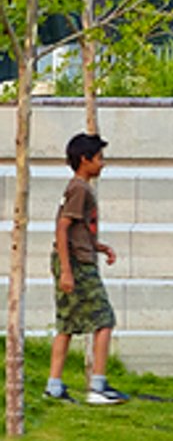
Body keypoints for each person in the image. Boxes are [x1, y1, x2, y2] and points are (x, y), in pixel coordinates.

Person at [47, 131, 124, 405]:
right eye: (99, 158)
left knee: (67, 324)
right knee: (104, 320)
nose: (103, 164)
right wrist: (67, 270)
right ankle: (98, 386)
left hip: (77, 257)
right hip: (76, 264)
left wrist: (99, 247)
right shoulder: (80, 189)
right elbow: (62, 228)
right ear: (85, 159)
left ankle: (54, 385)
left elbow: (78, 230)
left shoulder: (78, 187)